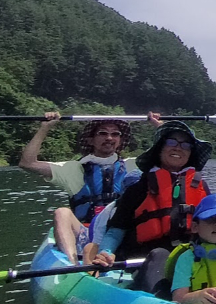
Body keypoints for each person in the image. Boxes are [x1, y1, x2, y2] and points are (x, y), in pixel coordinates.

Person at [95, 121, 214, 290]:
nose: (178, 148)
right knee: (160, 255)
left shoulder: (201, 186)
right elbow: (116, 230)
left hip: (192, 257)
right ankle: (164, 302)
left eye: (185, 145)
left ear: (190, 153)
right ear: (160, 149)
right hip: (147, 260)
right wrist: (106, 252)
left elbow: (215, 224)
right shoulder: (139, 188)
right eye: (171, 142)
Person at [19, 112, 142, 261]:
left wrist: (159, 125)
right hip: (86, 234)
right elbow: (28, 163)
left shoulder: (135, 165)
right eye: (102, 133)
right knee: (62, 213)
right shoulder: (73, 169)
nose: (109, 138)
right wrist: (45, 128)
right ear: (91, 140)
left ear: (120, 140)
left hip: (121, 233)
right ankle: (73, 265)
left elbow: (171, 157)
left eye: (115, 134)